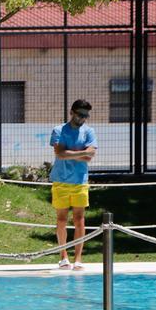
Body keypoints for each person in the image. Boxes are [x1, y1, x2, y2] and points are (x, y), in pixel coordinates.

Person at [49, 100, 97, 271]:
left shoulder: (89, 131)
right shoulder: (59, 130)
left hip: (80, 181)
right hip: (61, 180)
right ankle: (63, 257)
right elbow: (59, 154)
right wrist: (83, 153)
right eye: (80, 114)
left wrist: (69, 153)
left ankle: (78, 258)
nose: (83, 118)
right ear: (72, 112)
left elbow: (90, 156)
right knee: (61, 219)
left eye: (86, 115)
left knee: (79, 220)